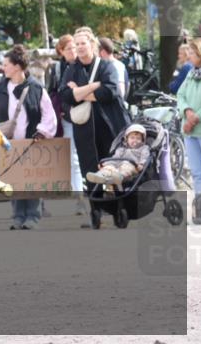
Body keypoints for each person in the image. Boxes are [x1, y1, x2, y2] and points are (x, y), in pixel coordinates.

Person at [59, 27, 130, 229]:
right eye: (76, 44)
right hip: (85, 130)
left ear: (92, 44)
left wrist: (79, 93)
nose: (80, 47)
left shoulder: (106, 66)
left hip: (109, 126)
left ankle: (119, 209)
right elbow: (66, 95)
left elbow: (110, 92)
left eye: (83, 43)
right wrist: (92, 87)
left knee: (114, 168)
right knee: (89, 171)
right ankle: (96, 212)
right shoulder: (71, 69)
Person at [0, 45, 57, 230]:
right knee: (13, 179)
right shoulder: (0, 87)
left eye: (6, 64)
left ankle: (33, 216)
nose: (3, 68)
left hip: (31, 141)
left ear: (17, 66)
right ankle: (18, 216)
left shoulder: (36, 88)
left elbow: (48, 114)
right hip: (7, 143)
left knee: (31, 179)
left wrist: (41, 132)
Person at [47, 34, 85, 215]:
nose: (73, 51)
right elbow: (51, 92)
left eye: (74, 47)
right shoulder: (56, 69)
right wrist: (59, 110)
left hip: (86, 115)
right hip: (66, 117)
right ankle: (79, 198)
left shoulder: (84, 65)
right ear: (61, 51)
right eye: (68, 48)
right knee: (73, 159)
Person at [176, 38, 201, 224]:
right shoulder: (190, 73)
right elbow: (180, 95)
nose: (189, 56)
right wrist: (186, 111)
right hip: (190, 132)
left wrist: (195, 118)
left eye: (193, 53)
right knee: (196, 172)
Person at [86, 123, 150, 188]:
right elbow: (115, 159)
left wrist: (141, 164)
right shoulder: (121, 149)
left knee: (126, 167)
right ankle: (100, 175)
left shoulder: (144, 148)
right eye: (132, 138)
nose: (135, 140)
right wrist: (105, 164)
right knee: (110, 166)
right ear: (127, 139)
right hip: (118, 166)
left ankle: (118, 177)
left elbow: (145, 157)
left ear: (142, 140)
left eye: (138, 138)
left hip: (133, 168)